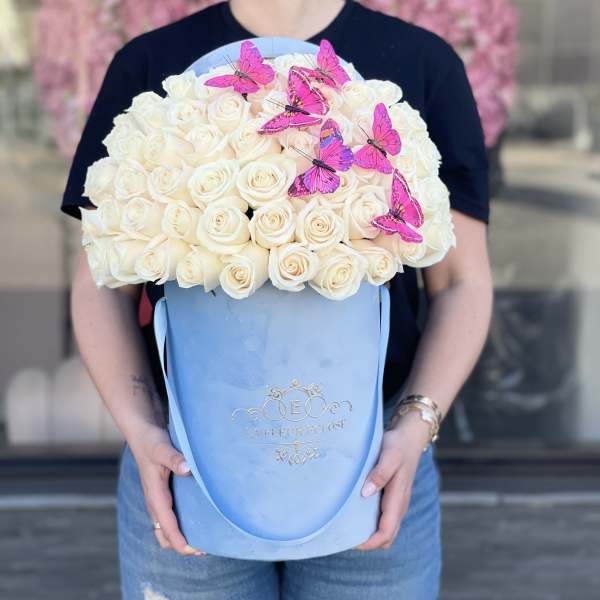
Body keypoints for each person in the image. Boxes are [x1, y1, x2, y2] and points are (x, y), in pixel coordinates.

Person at [63, 1, 493, 598]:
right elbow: (98, 282)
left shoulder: (422, 64)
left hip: (377, 461)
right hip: (184, 462)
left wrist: (415, 424)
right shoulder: (151, 64)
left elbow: (462, 282)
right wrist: (141, 428)